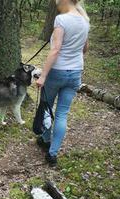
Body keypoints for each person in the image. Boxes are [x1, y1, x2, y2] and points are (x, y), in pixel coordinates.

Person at [36, 0, 90, 167]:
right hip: (75, 72)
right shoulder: (84, 20)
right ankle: (52, 153)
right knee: (62, 114)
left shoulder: (61, 20)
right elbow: (85, 48)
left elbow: (56, 50)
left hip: (57, 71)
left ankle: (45, 139)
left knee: (46, 106)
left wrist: (43, 76)